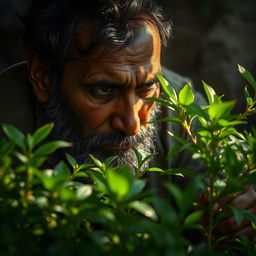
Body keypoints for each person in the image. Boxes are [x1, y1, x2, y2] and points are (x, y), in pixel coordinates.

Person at [0, 0, 255, 245]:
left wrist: (241, 208)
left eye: (146, 88)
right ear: (42, 77)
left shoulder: (182, 109)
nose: (132, 124)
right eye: (102, 91)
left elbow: (236, 178)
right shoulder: (7, 123)